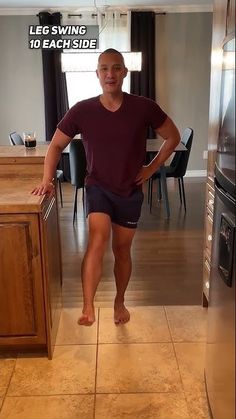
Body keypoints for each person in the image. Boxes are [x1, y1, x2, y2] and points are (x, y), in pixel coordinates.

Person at [32, 48, 180, 326]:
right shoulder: (82, 109)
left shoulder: (144, 106)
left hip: (129, 191)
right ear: (97, 74)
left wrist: (150, 169)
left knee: (122, 251)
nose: (110, 74)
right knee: (97, 239)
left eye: (116, 68)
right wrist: (46, 180)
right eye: (104, 69)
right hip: (98, 187)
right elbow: (55, 145)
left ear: (124, 72)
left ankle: (119, 302)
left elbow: (173, 136)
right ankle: (88, 307)